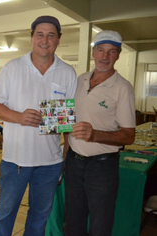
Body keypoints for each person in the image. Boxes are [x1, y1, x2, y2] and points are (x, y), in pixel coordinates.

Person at [0, 16, 77, 236]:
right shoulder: (13, 68)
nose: (44, 40)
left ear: (58, 40)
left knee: (39, 218)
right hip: (15, 160)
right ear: (31, 38)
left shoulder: (67, 72)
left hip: (50, 162)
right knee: (6, 214)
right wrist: (19, 117)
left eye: (50, 35)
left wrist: (65, 155)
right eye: (40, 34)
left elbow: (66, 122)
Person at [64, 30, 135, 236]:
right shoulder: (80, 80)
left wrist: (95, 134)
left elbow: (129, 136)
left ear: (118, 55)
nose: (105, 57)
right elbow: (69, 123)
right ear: (93, 52)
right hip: (74, 163)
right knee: (73, 222)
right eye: (101, 50)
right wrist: (65, 156)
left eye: (112, 52)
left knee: (100, 225)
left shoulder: (123, 88)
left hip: (102, 167)